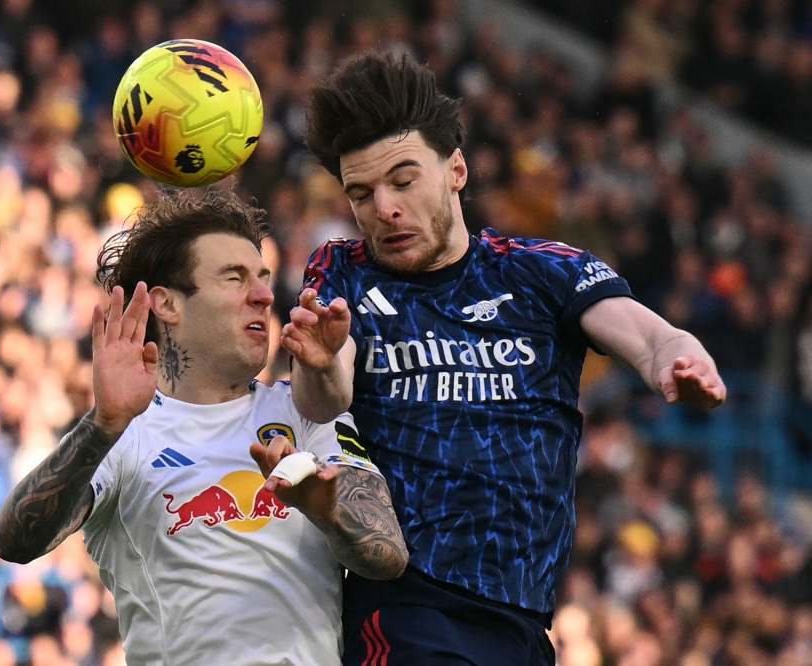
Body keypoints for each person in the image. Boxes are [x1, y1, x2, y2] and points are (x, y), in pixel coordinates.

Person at [284, 52, 727, 666]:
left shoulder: (542, 269)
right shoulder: (343, 271)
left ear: (457, 170)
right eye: (361, 193)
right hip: (410, 604)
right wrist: (319, 360)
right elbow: (322, 398)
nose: (383, 208)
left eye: (404, 181)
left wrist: (680, 364)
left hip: (522, 617)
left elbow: (655, 339)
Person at [0, 188, 407, 666]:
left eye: (264, 278)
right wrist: (102, 425)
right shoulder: (124, 434)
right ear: (167, 304)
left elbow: (389, 554)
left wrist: (327, 509)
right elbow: (13, 541)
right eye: (234, 278)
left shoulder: (305, 411)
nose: (264, 295)